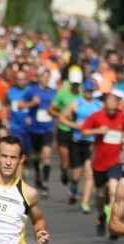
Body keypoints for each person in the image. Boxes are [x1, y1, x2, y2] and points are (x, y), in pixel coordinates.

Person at [80, 92, 124, 238]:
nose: (113, 112)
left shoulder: (122, 117)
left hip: (115, 161)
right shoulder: (96, 116)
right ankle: (101, 214)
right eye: (110, 109)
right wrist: (97, 131)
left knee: (114, 191)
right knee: (100, 194)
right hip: (99, 163)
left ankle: (113, 224)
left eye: (115, 109)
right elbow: (83, 132)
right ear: (105, 106)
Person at [59, 78, 101, 215]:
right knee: (76, 174)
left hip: (91, 142)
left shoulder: (98, 105)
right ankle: (73, 186)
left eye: (91, 90)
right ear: (83, 90)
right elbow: (62, 117)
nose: (89, 93)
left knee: (89, 172)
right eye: (87, 90)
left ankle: (85, 203)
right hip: (77, 140)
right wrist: (74, 125)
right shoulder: (76, 103)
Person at [49, 65, 83, 201]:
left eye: (77, 83)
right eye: (73, 83)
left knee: (76, 165)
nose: (75, 85)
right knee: (65, 162)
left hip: (78, 133)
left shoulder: (83, 94)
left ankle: (73, 188)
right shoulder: (62, 93)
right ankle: (63, 171)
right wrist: (62, 115)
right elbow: (51, 110)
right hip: (64, 130)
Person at [23, 69, 56, 196]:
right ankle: (37, 174)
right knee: (36, 155)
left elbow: (57, 107)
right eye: (44, 77)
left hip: (48, 128)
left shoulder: (53, 92)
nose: (46, 79)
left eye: (48, 77)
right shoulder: (32, 91)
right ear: (39, 78)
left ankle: (46, 182)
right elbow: (21, 105)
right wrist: (32, 103)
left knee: (47, 154)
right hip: (34, 128)